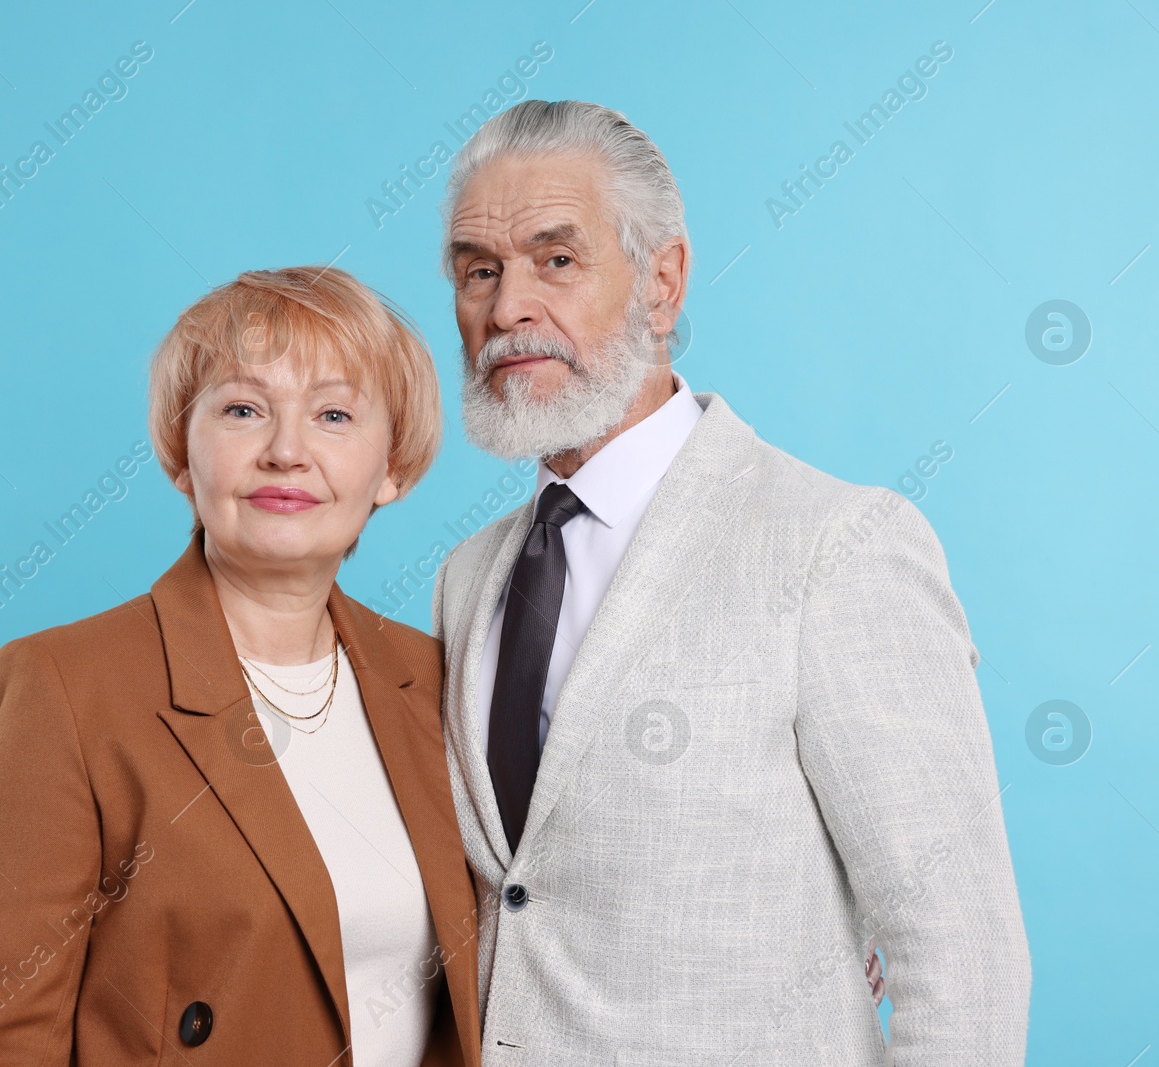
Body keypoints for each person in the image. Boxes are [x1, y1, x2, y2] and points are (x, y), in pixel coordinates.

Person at [431, 100, 1030, 1065]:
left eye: (557, 259)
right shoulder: (468, 579)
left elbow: (964, 954)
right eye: (479, 271)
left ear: (662, 283)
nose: (507, 309)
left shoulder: (836, 546)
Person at [0, 267, 480, 1067]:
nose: (287, 451)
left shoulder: (434, 679)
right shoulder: (66, 686)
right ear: (184, 453)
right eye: (244, 409)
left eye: (333, 413)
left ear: (394, 466)